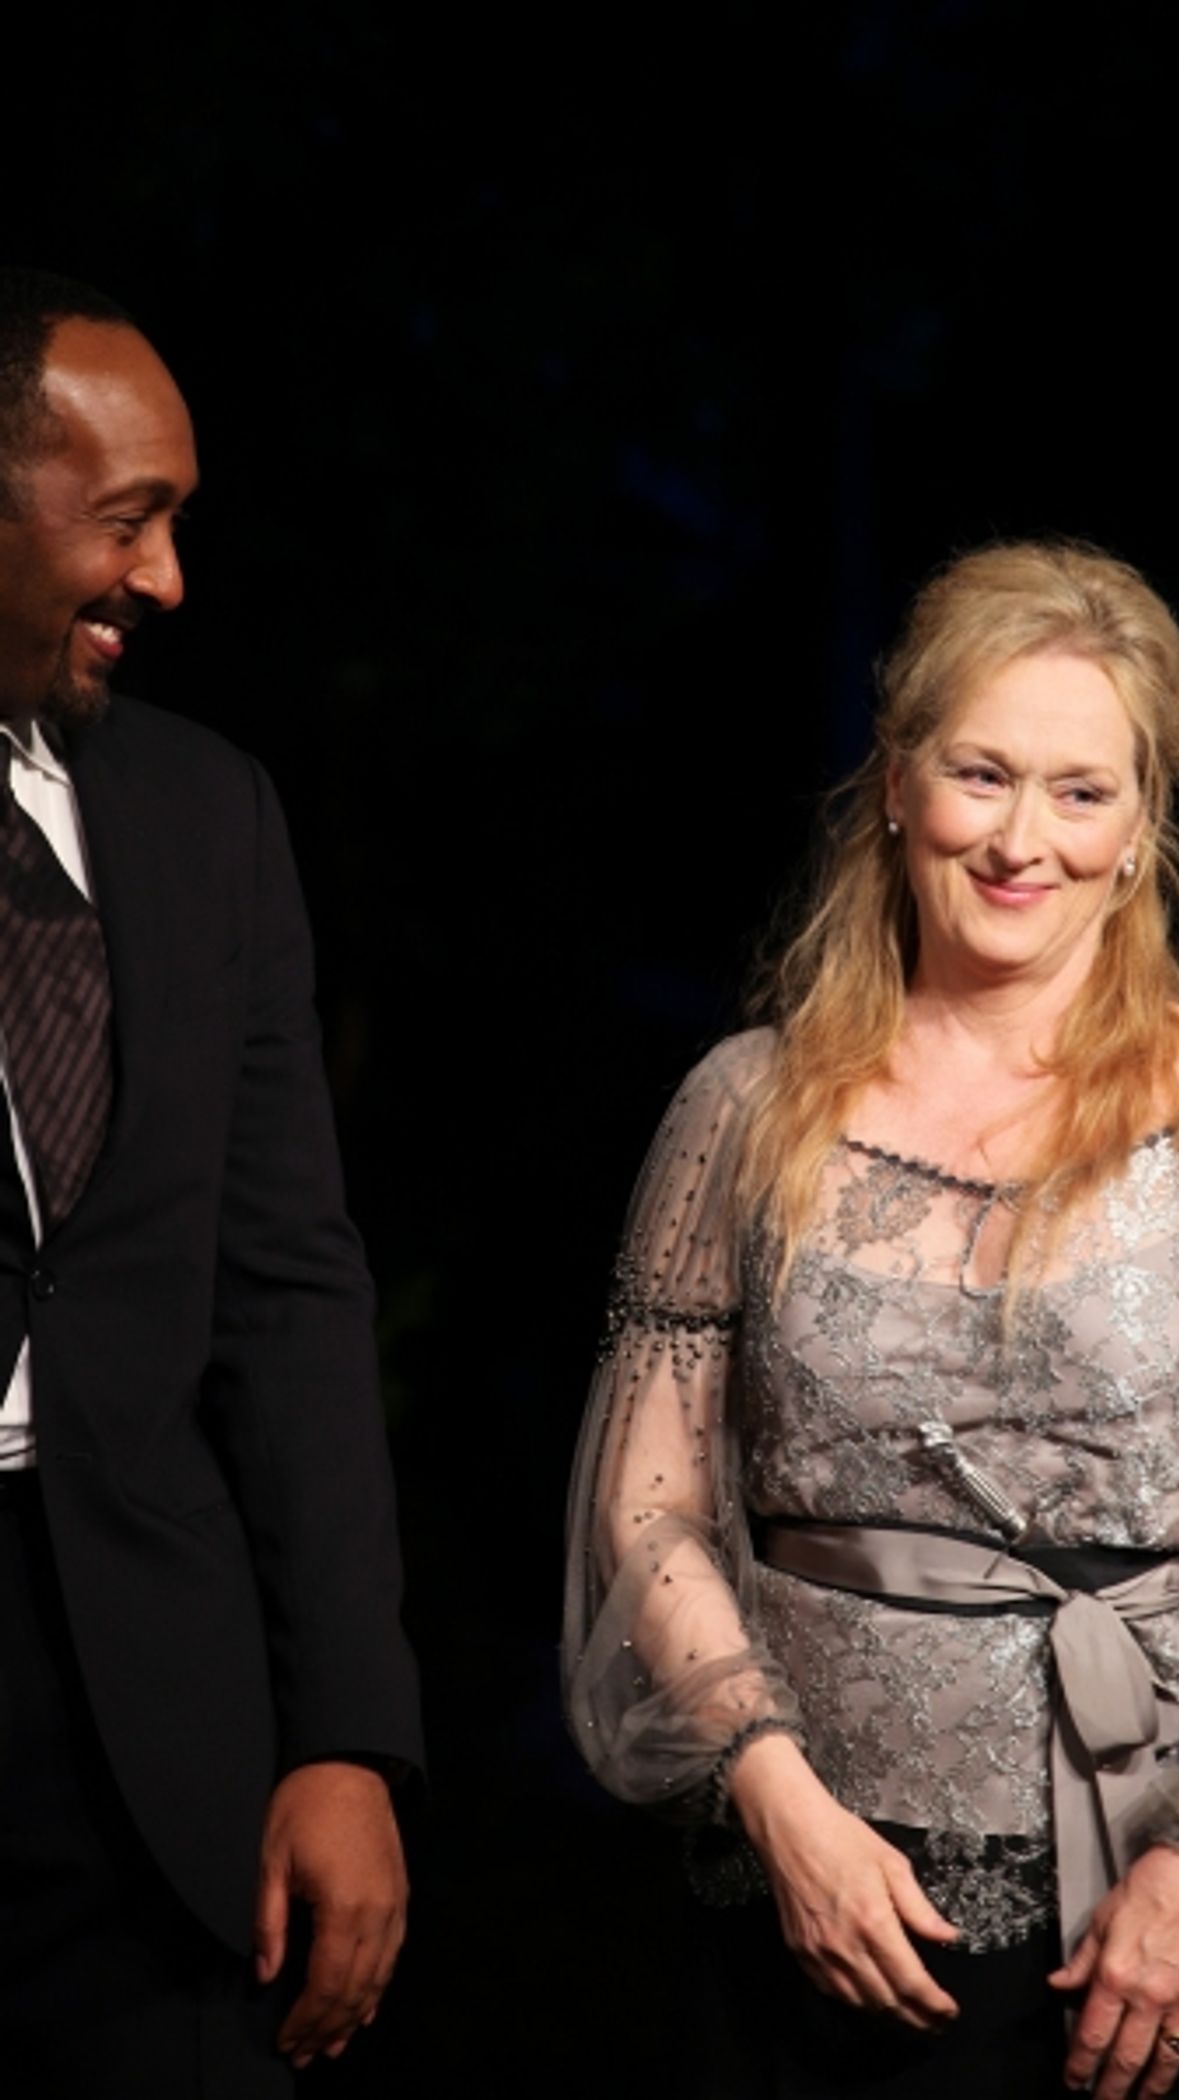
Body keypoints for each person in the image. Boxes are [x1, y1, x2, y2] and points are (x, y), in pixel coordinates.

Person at [563, 541, 1179, 2098]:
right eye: (984, 774)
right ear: (896, 786)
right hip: (825, 1913)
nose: (1027, 841)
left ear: (1145, 825)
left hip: (1172, 1918)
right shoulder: (744, 1108)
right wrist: (778, 1801)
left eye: (1084, 792)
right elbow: (651, 1495)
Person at [0, 267, 422, 2093]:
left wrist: (346, 1738)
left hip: (150, 1754)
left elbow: (291, 1296)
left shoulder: (204, 813)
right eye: (126, 520)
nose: (166, 579)